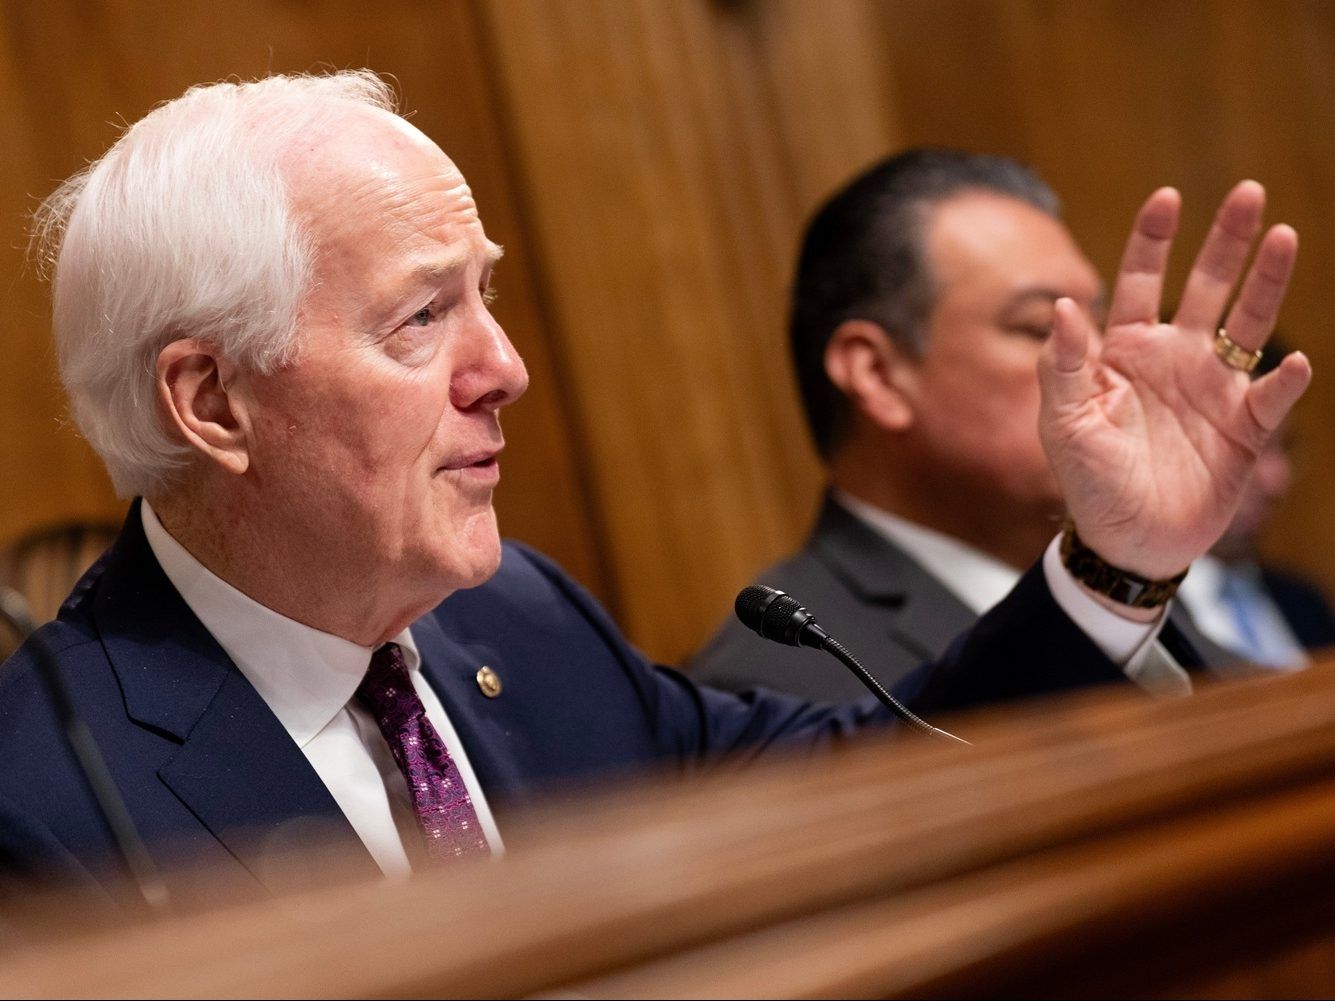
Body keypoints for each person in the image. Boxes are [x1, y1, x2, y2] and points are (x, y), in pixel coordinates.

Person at [0, 72, 1309, 910]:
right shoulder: (42, 801)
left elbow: (883, 778)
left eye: (486, 296)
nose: (502, 367)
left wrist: (1112, 560)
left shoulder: (519, 621)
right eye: (419, 318)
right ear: (212, 403)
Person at [692, 149, 1250, 700]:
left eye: (1098, 325)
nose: (1106, 369)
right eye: (1040, 327)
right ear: (878, 375)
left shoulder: (1139, 603)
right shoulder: (782, 683)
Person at [1174, 342, 1335, 667]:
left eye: (1285, 447)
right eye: (1250, 447)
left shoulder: (1304, 601)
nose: (1277, 482)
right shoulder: (1130, 621)